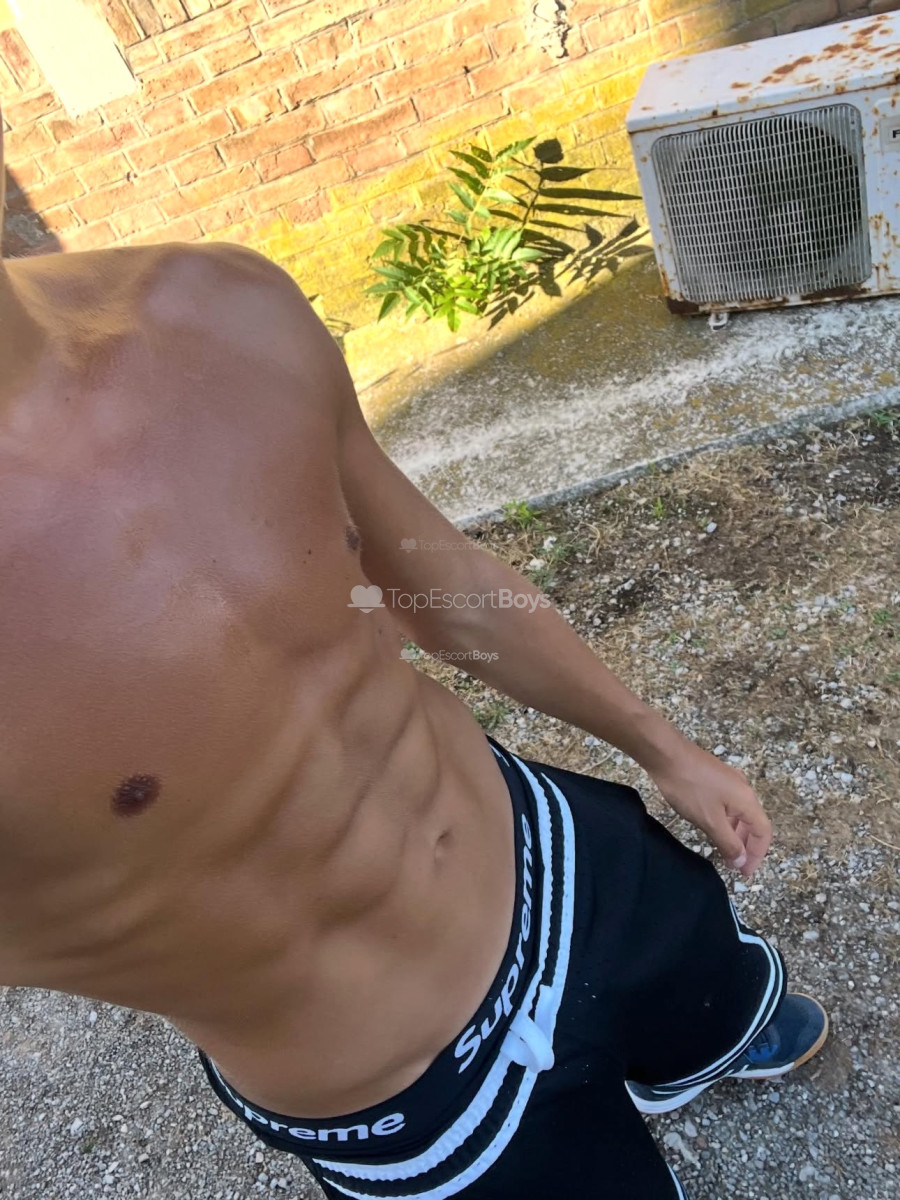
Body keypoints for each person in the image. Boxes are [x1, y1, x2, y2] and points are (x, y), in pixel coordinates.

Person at [0, 121, 826, 1200]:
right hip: (416, 1092)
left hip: (554, 853)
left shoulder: (214, 305)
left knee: (705, 981)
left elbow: (443, 586)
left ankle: (703, 1041)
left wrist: (661, 746)